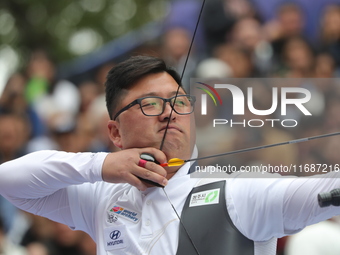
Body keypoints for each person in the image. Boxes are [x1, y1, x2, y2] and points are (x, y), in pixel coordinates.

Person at [1, 55, 340, 255]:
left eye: (179, 101)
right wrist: (102, 164)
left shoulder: (239, 189)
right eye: (150, 103)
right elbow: (9, 181)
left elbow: (324, 192)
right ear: (115, 133)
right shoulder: (103, 198)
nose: (169, 113)